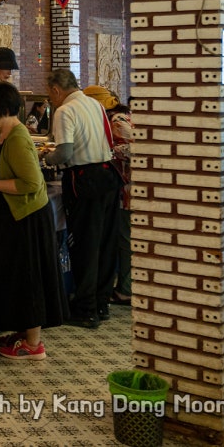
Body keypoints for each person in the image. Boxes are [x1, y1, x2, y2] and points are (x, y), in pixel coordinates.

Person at [0, 82, 69, 360]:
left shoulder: (17, 137)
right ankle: (25, 332)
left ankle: (34, 344)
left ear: (0, 108)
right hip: (11, 217)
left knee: (28, 277)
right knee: (15, 276)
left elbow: (30, 182)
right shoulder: (1, 134)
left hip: (27, 218)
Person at [40, 70, 120, 329]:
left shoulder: (65, 110)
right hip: (108, 176)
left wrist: (44, 157)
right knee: (105, 244)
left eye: (50, 96)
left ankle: (85, 309)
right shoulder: (94, 103)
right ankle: (100, 302)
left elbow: (64, 153)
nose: (51, 101)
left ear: (55, 90)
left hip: (84, 179)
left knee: (85, 244)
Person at [83, 86, 133, 305]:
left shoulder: (117, 121)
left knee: (125, 241)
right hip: (127, 188)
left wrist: (107, 151)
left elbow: (135, 149)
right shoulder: (122, 117)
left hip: (129, 189)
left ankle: (125, 290)